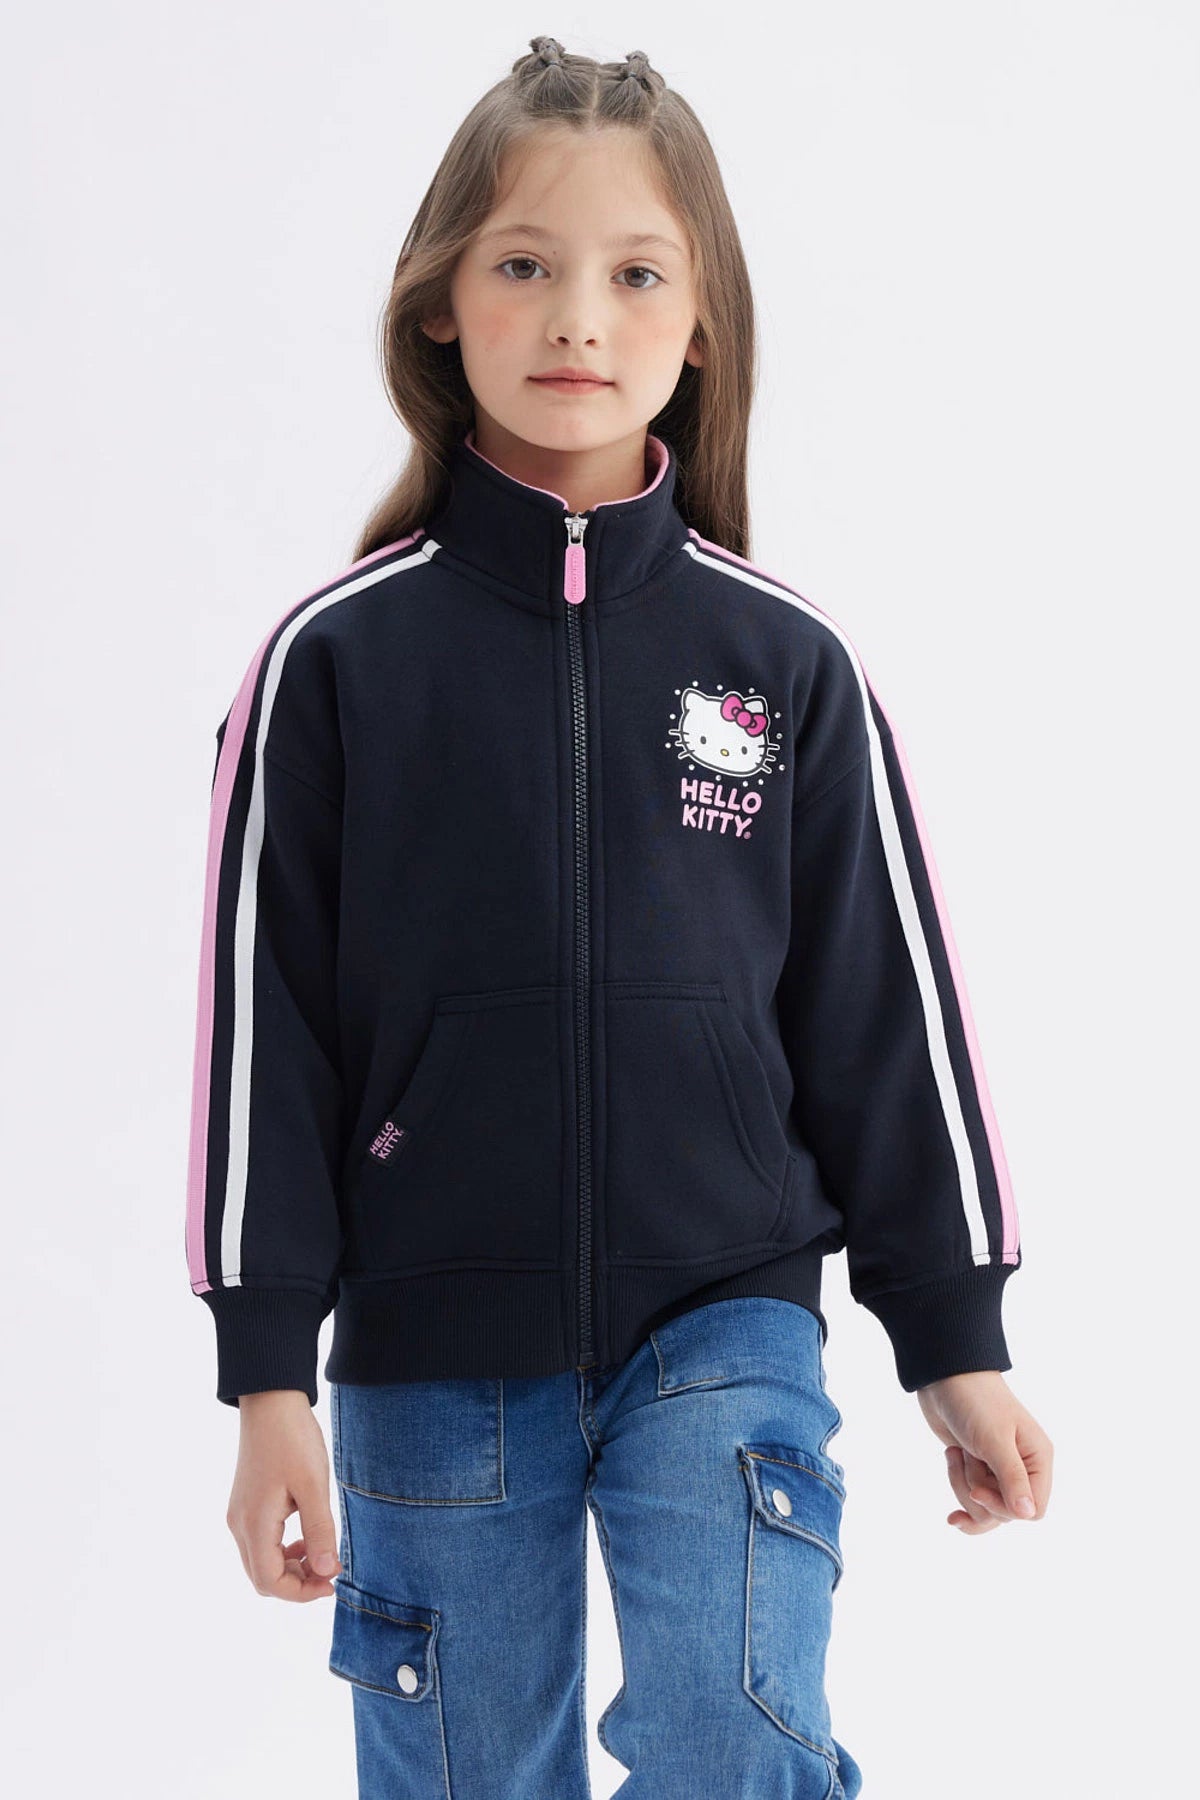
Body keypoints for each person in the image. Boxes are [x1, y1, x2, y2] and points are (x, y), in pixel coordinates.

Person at [185, 36, 1053, 1799]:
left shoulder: (785, 662)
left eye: (637, 273)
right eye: (524, 263)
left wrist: (952, 1336)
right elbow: (261, 1040)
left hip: (726, 1314)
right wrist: (269, 1371)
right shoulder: (335, 665)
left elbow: (886, 1019)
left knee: (736, 1738)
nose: (578, 316)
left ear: (703, 319)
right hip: (431, 1344)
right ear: (441, 304)